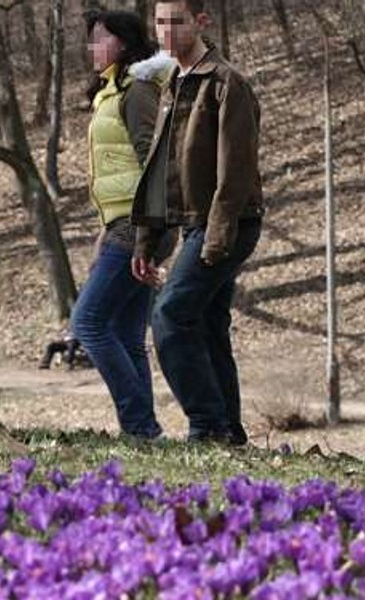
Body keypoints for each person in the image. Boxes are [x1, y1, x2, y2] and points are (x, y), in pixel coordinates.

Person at [131, 0, 265, 444]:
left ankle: (207, 426)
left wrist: (216, 239)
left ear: (200, 23)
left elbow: (237, 171)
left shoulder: (228, 84)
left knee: (169, 317)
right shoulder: (176, 83)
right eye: (160, 22)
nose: (167, 32)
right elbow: (160, 166)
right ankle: (230, 430)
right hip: (195, 224)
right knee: (207, 323)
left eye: (177, 22)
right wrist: (147, 240)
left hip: (229, 222)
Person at [71, 10, 177, 440]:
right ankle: (144, 431)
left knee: (89, 323)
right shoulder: (112, 91)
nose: (93, 47)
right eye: (91, 39)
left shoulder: (136, 90)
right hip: (123, 224)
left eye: (101, 38)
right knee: (127, 335)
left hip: (140, 226)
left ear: (124, 41)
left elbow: (153, 161)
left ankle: (140, 426)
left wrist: (145, 238)